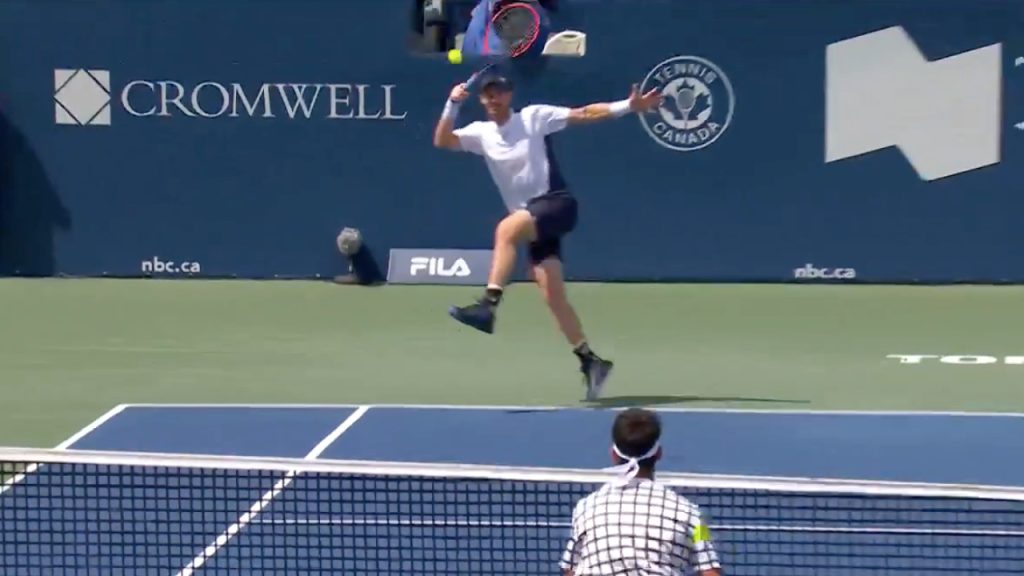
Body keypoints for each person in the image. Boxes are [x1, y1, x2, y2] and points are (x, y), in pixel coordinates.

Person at [432, 72, 661, 400]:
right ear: (481, 99)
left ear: (510, 95)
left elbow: (584, 114)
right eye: (488, 94)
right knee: (552, 294)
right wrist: (452, 106)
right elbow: (443, 141)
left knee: (505, 229)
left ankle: (488, 306)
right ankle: (590, 360)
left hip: (556, 204)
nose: (493, 98)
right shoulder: (480, 134)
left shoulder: (534, 118)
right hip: (532, 220)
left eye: (499, 92)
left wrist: (628, 106)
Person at [559, 408, 723, 575]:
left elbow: (570, 569)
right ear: (659, 454)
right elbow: (710, 571)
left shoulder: (585, 509)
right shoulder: (693, 515)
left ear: (613, 455)